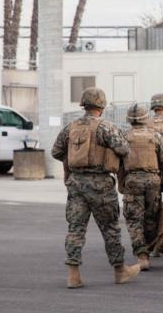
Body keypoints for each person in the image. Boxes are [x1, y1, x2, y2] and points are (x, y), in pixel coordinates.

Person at [51, 87, 141, 288]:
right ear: (101, 106)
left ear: (84, 105)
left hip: (75, 184)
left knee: (76, 228)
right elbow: (124, 149)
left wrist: (73, 159)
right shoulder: (105, 127)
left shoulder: (70, 127)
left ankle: (73, 275)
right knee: (110, 229)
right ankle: (120, 271)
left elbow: (56, 151)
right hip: (101, 184)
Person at [121, 103, 163, 271]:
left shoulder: (124, 136)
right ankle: (150, 247)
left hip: (132, 180)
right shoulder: (155, 136)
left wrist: (121, 184)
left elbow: (117, 164)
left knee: (133, 219)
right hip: (153, 180)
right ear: (146, 118)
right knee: (151, 217)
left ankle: (142, 254)